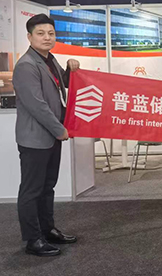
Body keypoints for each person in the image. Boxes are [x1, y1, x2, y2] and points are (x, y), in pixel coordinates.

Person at [12, 14, 80, 257]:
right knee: (31, 190)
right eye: (40, 33)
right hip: (35, 139)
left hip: (50, 137)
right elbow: (37, 105)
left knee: (47, 186)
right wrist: (59, 129)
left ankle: (47, 230)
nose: (47, 37)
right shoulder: (26, 65)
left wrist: (71, 68)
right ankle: (33, 239)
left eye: (51, 33)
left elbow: (63, 83)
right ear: (29, 37)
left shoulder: (49, 59)